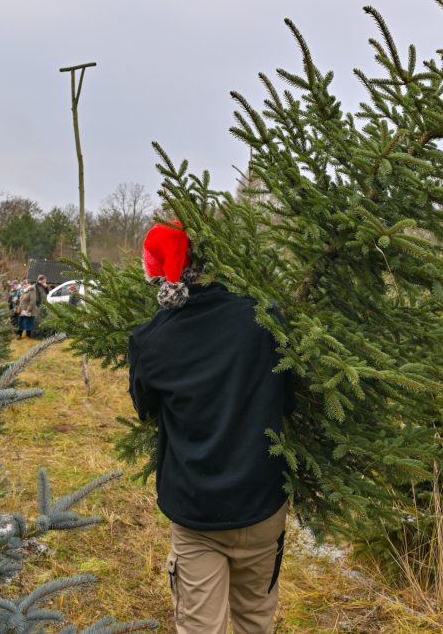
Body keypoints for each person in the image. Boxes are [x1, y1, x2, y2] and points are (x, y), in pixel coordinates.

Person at [128, 221, 295, 633]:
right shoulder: (266, 319)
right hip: (263, 504)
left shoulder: (151, 340)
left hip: (196, 513)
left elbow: (145, 408)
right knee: (257, 619)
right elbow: (290, 395)